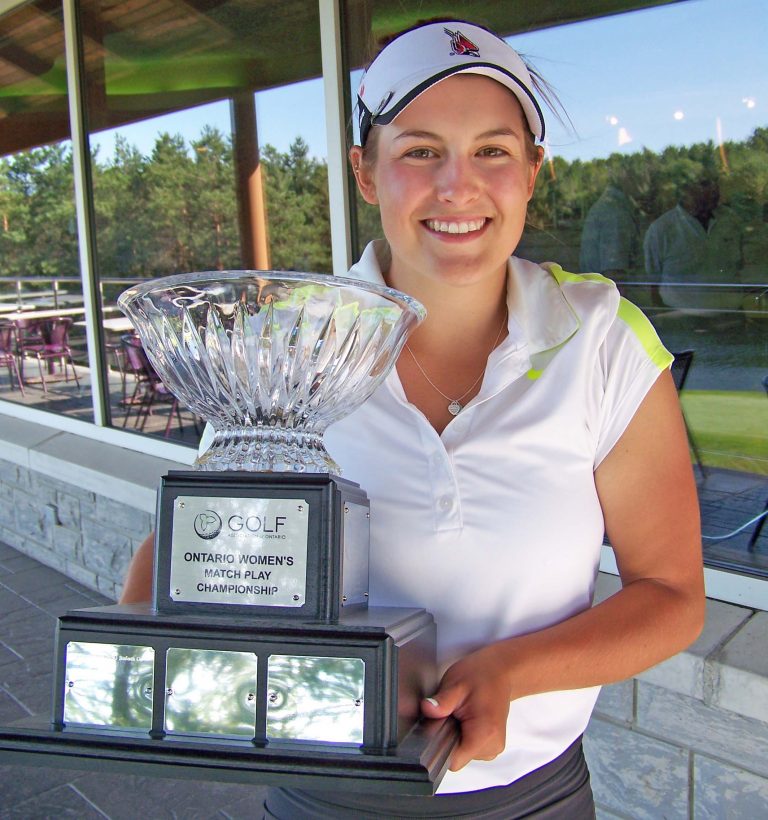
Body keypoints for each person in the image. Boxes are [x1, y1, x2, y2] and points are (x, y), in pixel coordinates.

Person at [121, 19, 704, 818]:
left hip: (531, 799)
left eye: (492, 150)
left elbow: (670, 594)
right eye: (420, 151)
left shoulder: (602, 338)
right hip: (318, 792)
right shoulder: (288, 343)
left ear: (534, 171)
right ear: (365, 172)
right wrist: (145, 655)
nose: (458, 186)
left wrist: (510, 672)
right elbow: (191, 553)